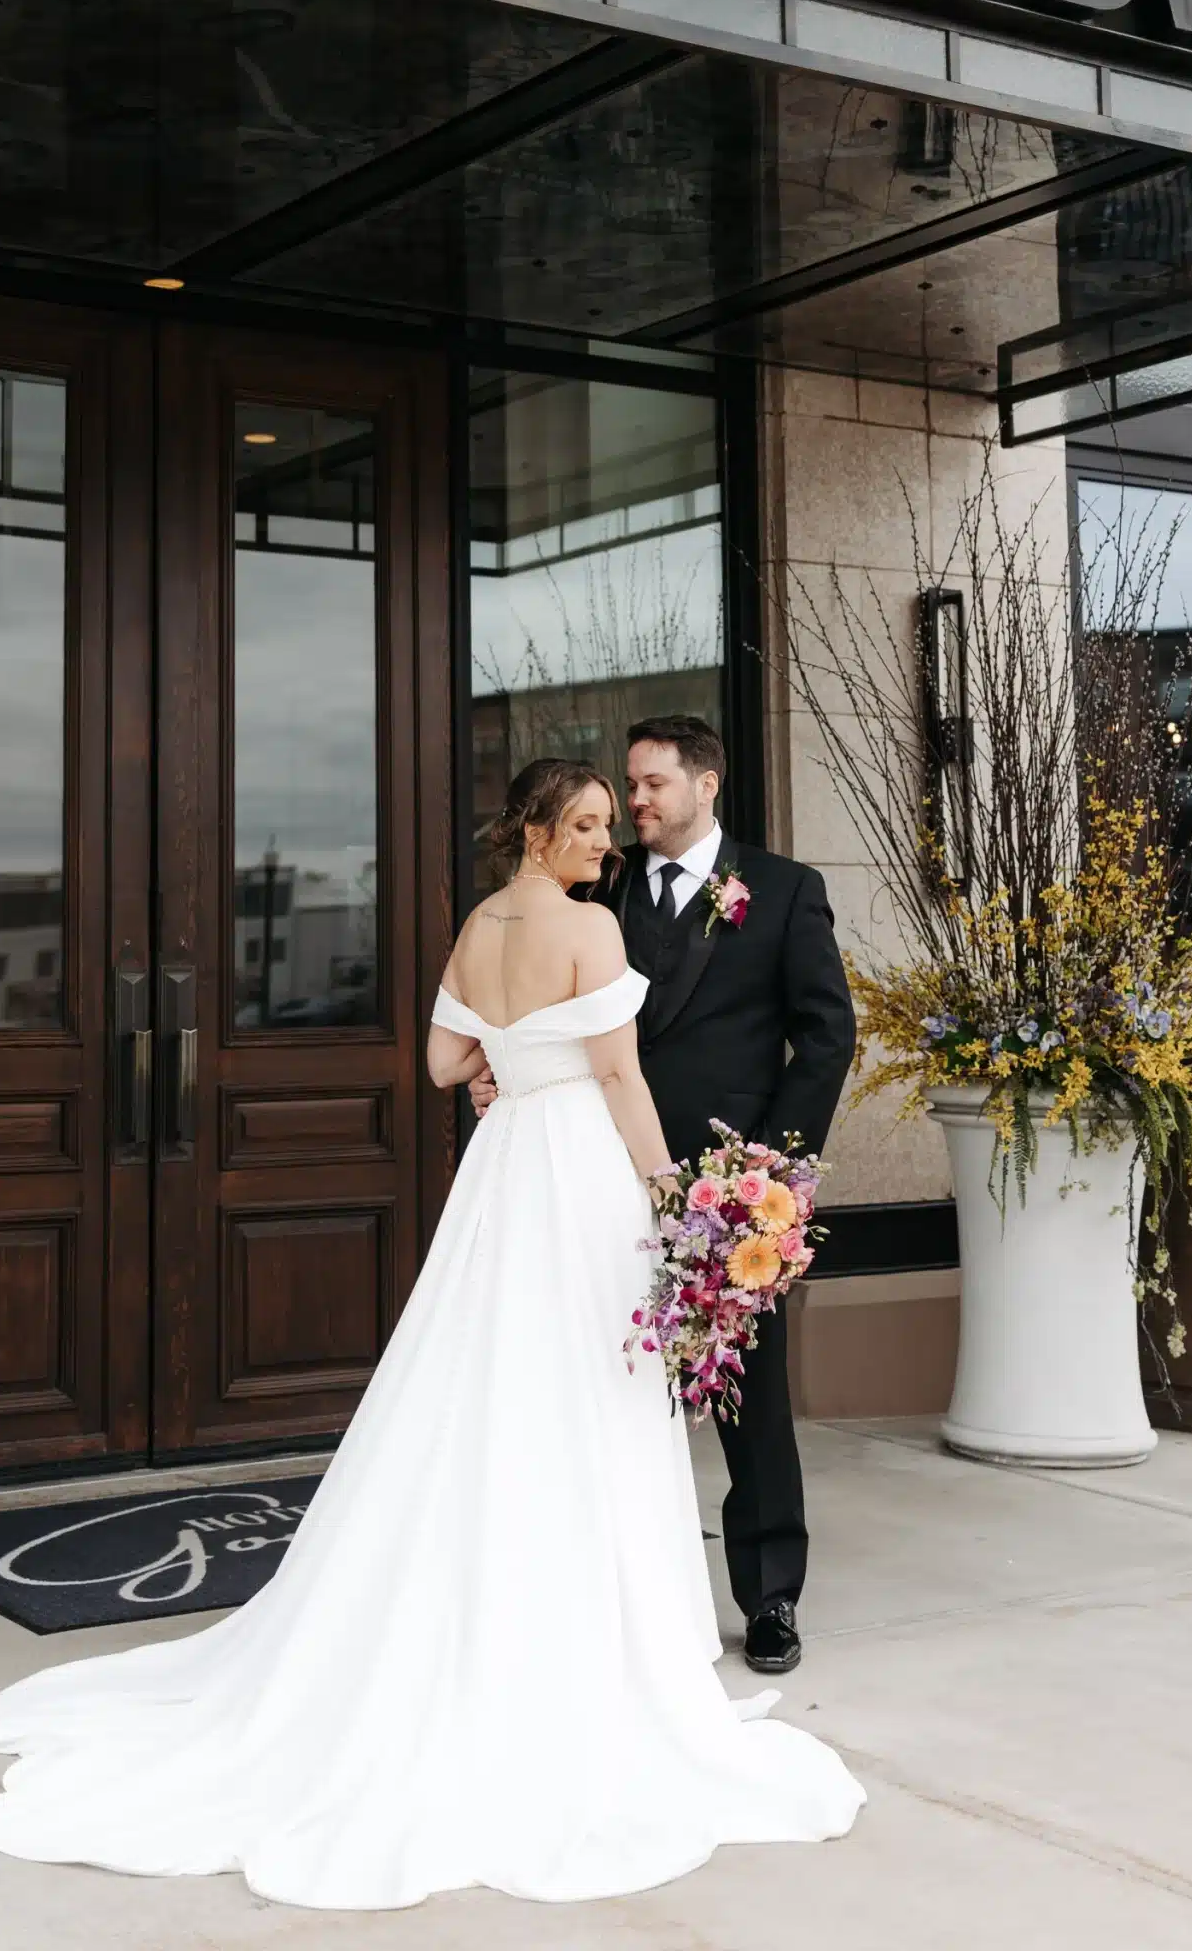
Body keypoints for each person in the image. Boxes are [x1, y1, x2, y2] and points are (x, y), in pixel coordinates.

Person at [0, 758, 863, 1911]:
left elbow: (441, 1063)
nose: (604, 839)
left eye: (609, 817)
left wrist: (508, 1064)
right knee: (587, 1387)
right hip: (581, 1171)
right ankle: (589, 1638)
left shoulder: (478, 924)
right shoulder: (587, 929)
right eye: (585, 820)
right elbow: (623, 1074)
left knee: (481, 1378)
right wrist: (671, 1192)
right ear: (538, 830)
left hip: (504, 1169)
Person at [473, 715, 855, 1677]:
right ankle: (611, 1586)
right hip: (596, 1171)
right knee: (599, 1376)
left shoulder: (782, 890)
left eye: (650, 786)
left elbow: (823, 1038)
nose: (633, 804)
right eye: (627, 790)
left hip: (724, 1188)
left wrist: (769, 1172)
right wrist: (498, 1068)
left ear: (706, 784)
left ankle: (769, 1596)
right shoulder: (595, 890)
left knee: (749, 1393)